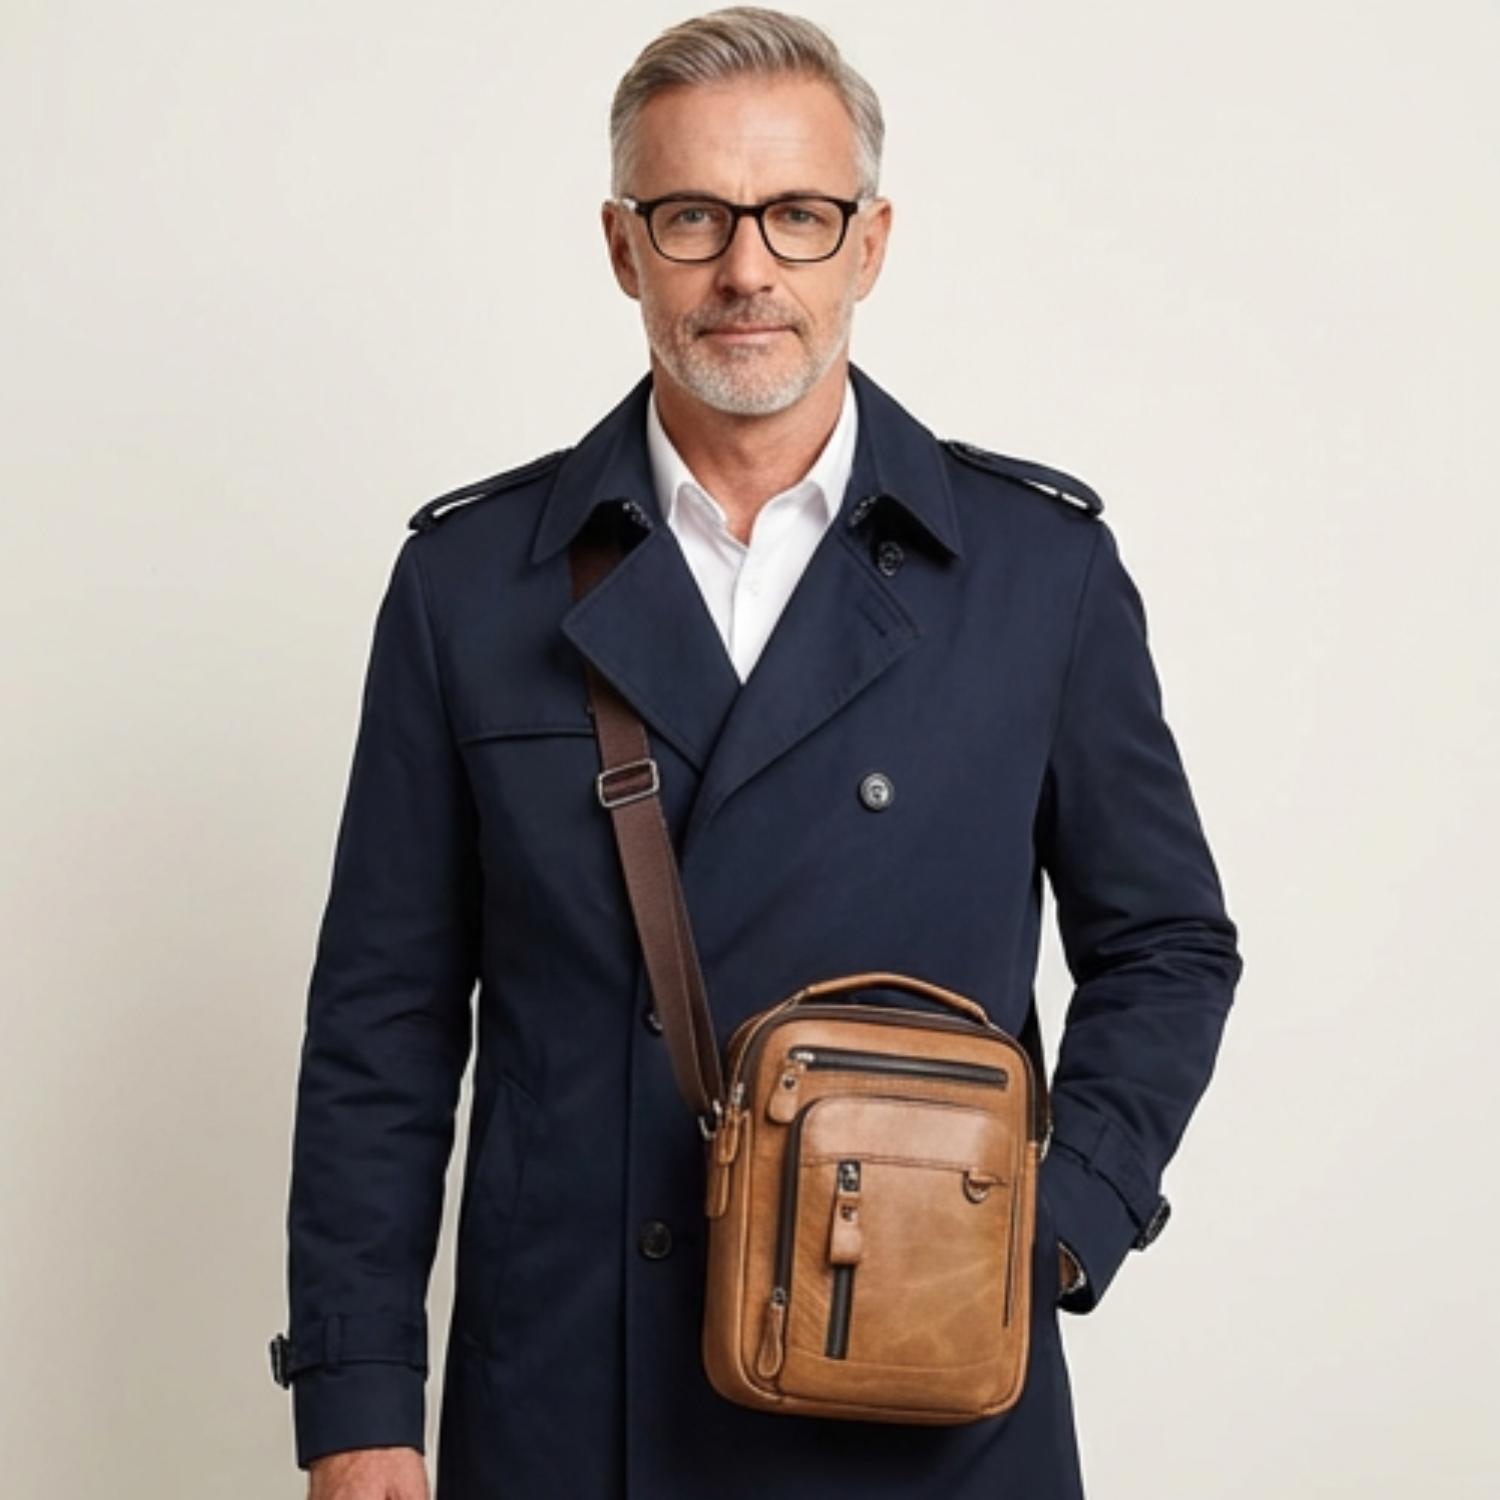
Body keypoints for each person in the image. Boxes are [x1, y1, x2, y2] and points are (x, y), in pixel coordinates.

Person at [274, 8, 1241, 1498]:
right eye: (693, 218)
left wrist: (1055, 1218)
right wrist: (356, 1399)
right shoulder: (471, 588)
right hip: (574, 1398)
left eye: (797, 215)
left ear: (870, 242)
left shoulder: (1037, 574)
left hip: (926, 1391)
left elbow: (1168, 942)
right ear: (621, 247)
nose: (747, 271)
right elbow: (384, 1020)